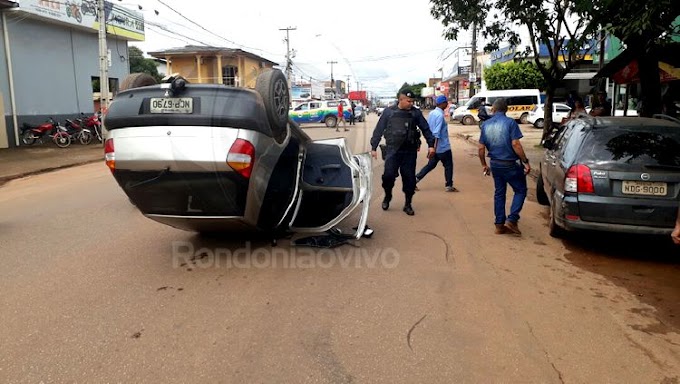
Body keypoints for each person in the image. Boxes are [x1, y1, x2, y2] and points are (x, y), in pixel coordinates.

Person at [371, 89, 436, 216]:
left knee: (409, 179)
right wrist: (373, 147)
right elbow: (379, 129)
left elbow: (426, 129)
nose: (411, 103)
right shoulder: (389, 112)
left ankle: (408, 204)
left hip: (409, 152)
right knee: (388, 176)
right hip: (392, 151)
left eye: (412, 101)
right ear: (400, 100)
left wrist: (431, 145)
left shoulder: (415, 113)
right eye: (408, 101)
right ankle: (387, 196)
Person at [478, 98, 531, 235]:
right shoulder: (510, 123)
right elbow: (516, 144)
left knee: (499, 193)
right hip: (510, 164)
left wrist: (484, 164)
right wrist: (525, 161)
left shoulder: (485, 125)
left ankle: (499, 225)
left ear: (493, 109)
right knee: (520, 190)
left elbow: (481, 148)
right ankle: (512, 219)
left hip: (495, 164)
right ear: (506, 110)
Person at [415, 95, 457, 192]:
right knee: (448, 165)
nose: (447, 104)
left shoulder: (432, 113)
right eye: (446, 103)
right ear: (442, 104)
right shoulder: (439, 116)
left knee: (430, 165)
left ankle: (415, 180)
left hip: (434, 147)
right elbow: (436, 133)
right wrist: (433, 148)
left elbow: (429, 129)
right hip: (442, 147)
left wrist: (431, 147)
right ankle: (449, 185)